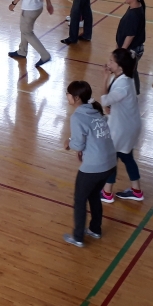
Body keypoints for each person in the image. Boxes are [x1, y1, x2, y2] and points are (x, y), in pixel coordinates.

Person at [63, 80, 116, 247]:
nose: (67, 96)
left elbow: (78, 144)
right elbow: (94, 137)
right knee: (93, 195)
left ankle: (78, 237)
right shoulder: (96, 112)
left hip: (94, 166)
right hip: (110, 163)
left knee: (80, 200)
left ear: (77, 98)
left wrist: (69, 143)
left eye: (68, 93)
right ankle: (95, 229)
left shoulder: (77, 116)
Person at [100, 49, 144, 203]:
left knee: (111, 158)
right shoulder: (124, 78)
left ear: (120, 66)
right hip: (129, 125)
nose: (108, 63)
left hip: (122, 128)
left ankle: (107, 193)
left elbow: (105, 100)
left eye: (112, 61)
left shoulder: (122, 84)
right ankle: (136, 190)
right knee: (126, 156)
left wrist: (105, 78)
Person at [115, 0, 147, 94]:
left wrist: (122, 51)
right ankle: (135, 92)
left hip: (132, 49)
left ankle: (131, 94)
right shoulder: (138, 5)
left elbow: (130, 35)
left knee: (127, 73)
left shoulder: (134, 15)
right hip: (134, 48)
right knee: (132, 71)